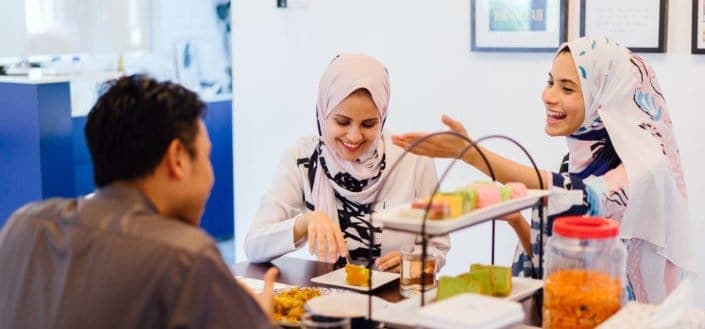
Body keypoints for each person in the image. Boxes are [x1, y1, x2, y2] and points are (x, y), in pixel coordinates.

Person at [392, 36, 694, 303]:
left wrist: (470, 154)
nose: (548, 96)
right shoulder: (576, 162)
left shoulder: (646, 171)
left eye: (567, 88)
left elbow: (581, 197)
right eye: (550, 82)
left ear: (604, 98)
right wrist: (518, 223)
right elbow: (550, 261)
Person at [0, 75, 278, 328]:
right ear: (177, 158)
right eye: (206, 156)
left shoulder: (22, 224)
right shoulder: (185, 257)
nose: (211, 177)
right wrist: (260, 319)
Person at [245, 54, 450, 272]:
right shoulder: (303, 159)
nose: (354, 136)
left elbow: (438, 247)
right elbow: (254, 245)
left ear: (383, 118)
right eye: (342, 122)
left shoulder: (413, 159)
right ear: (323, 113)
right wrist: (305, 223)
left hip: (395, 299)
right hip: (327, 300)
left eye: (369, 124)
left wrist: (417, 261)